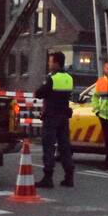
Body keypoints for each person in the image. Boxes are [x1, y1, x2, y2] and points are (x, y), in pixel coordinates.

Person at [34, 51, 75, 188]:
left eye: (50, 61)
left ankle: (48, 177)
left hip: (51, 117)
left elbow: (39, 93)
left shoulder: (52, 79)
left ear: (56, 63)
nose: (49, 64)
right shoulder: (69, 78)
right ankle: (69, 177)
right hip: (64, 117)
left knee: (49, 147)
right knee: (65, 147)